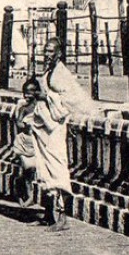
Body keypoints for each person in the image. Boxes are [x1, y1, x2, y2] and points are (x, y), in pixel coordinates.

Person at [32, 35, 94, 231]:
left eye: (51, 51)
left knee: (58, 169)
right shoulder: (49, 71)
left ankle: (63, 217)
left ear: (58, 54)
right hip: (45, 126)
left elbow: (70, 100)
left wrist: (47, 96)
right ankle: (49, 214)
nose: (47, 54)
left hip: (56, 128)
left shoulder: (62, 74)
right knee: (44, 170)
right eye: (45, 51)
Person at [11, 76, 42, 206]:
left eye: (30, 92)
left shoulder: (41, 108)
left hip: (35, 143)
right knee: (26, 169)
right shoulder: (24, 108)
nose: (26, 95)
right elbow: (17, 123)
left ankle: (27, 193)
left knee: (31, 171)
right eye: (25, 92)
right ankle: (27, 195)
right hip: (23, 142)